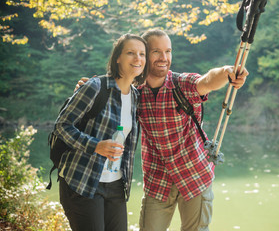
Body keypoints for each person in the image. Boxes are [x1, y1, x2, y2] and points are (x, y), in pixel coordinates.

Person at [76, 29, 248, 231]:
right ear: (144, 55)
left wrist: (228, 72)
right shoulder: (133, 92)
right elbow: (107, 95)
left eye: (168, 51)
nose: (164, 58)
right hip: (157, 181)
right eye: (156, 51)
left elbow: (208, 80)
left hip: (195, 175)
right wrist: (89, 88)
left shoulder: (182, 84)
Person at [54, 33, 148, 231]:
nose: (138, 58)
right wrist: (95, 146)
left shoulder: (136, 96)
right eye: (131, 53)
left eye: (142, 54)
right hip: (83, 181)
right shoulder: (95, 87)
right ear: (118, 58)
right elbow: (62, 125)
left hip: (115, 185)